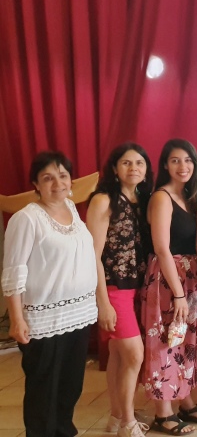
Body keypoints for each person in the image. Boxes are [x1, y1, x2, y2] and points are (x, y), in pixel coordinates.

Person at [2, 152, 98, 436]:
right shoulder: (27, 218)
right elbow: (14, 270)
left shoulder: (71, 208)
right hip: (43, 320)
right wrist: (16, 320)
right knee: (44, 389)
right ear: (36, 184)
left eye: (63, 176)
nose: (57, 183)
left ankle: (64, 431)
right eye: (48, 178)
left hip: (78, 314)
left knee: (70, 386)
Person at [140, 139, 197, 434]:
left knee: (185, 342)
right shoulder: (162, 197)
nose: (182, 166)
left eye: (188, 160)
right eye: (175, 160)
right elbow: (161, 247)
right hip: (168, 281)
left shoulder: (191, 197)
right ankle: (163, 412)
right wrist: (180, 293)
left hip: (190, 277)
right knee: (165, 342)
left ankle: (185, 401)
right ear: (165, 165)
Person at [87, 143, 153, 437]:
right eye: (126, 163)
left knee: (117, 354)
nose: (134, 168)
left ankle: (115, 417)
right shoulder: (104, 200)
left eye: (139, 163)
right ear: (114, 168)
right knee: (134, 355)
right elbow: (93, 254)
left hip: (137, 287)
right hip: (114, 288)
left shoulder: (143, 198)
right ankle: (128, 421)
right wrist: (103, 302)